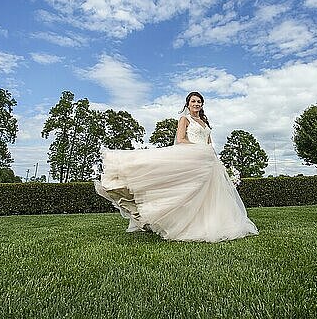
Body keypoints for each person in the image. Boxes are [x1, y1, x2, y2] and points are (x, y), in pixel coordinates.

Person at [94, 91, 258, 242]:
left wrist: (215, 158)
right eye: (193, 101)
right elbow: (180, 140)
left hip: (208, 160)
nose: (196, 104)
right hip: (193, 156)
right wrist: (200, 149)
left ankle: (209, 221)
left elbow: (210, 143)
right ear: (188, 104)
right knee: (186, 191)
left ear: (202, 104)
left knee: (208, 194)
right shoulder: (185, 119)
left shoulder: (205, 122)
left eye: (199, 101)